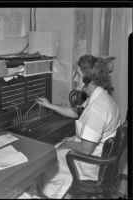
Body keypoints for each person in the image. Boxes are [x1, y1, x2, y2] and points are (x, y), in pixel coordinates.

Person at [36, 54, 121, 199]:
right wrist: (49, 105)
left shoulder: (97, 109)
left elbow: (86, 149)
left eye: (78, 75)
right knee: (57, 148)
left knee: (46, 161)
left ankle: (49, 194)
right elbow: (76, 112)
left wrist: (67, 143)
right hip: (99, 158)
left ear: (89, 80)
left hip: (90, 164)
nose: (74, 78)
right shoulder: (101, 97)